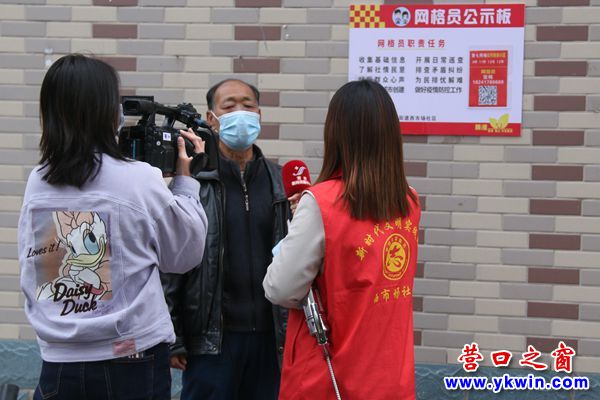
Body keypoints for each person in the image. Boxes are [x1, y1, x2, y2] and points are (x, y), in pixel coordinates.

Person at [18, 54, 208, 399]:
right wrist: (184, 183)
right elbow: (184, 254)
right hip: (131, 358)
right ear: (105, 112)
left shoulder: (38, 181)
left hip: (59, 360)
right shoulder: (137, 178)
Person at [263, 79, 421, 399]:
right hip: (391, 376)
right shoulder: (408, 201)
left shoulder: (321, 202)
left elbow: (279, 288)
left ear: (336, 134)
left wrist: (303, 221)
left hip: (330, 378)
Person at [161, 79, 289, 400]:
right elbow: (172, 260)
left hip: (271, 339)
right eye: (229, 106)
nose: (240, 112)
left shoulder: (280, 181)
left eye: (248, 105)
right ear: (211, 118)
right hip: (212, 342)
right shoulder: (195, 182)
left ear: (259, 114)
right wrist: (174, 335)